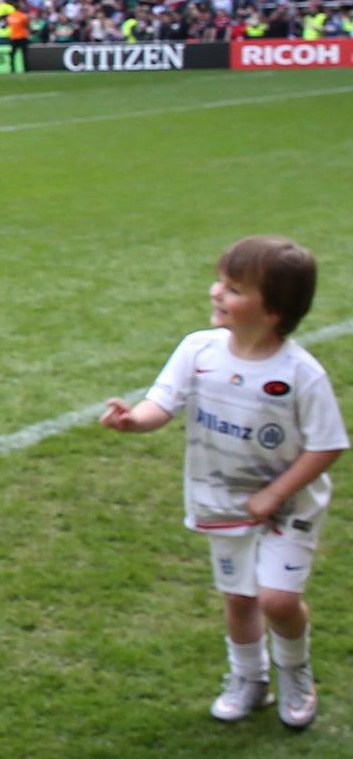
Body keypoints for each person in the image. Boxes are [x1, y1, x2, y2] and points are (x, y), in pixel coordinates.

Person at [100, 238, 345, 729]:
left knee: (277, 599)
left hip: (287, 507)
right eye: (220, 282)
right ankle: (248, 680)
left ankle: (295, 671)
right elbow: (163, 402)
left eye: (233, 289)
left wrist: (275, 493)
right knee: (240, 598)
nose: (216, 293)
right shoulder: (199, 349)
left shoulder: (301, 374)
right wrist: (135, 420)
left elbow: (328, 445)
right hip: (222, 499)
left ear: (273, 311)